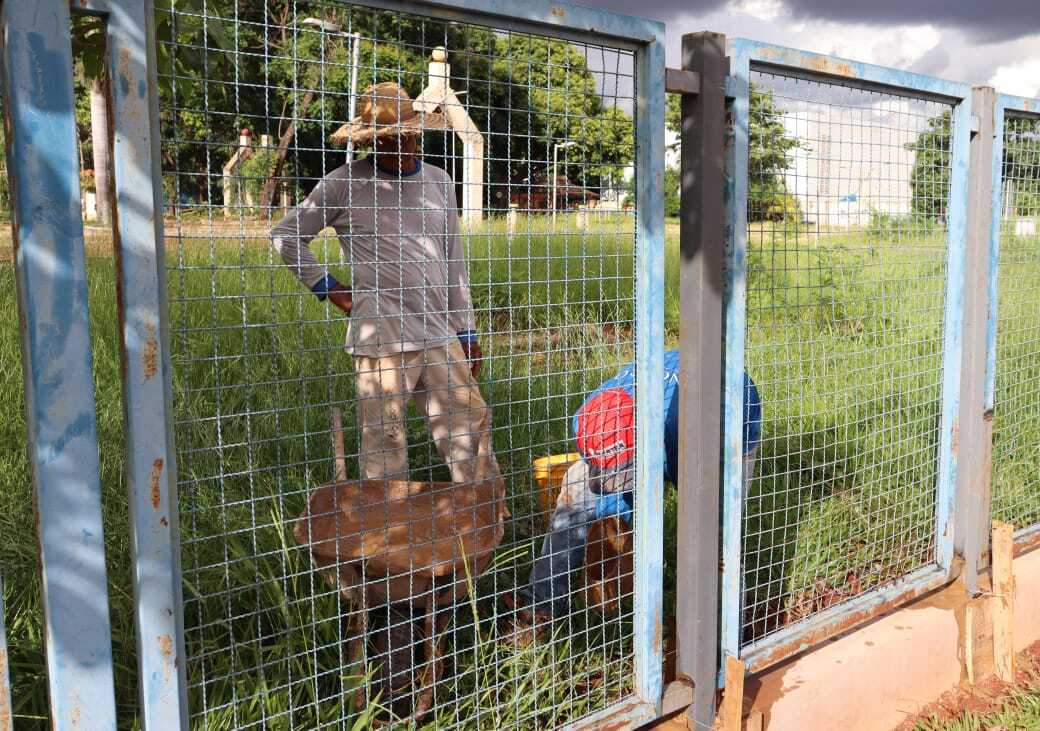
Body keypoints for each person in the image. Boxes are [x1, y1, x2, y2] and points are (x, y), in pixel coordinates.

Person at [271, 82, 501, 488]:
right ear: (369, 141)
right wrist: (330, 288)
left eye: (402, 137)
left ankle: (485, 511)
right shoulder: (343, 183)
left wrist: (466, 330)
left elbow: (454, 261)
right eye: (383, 140)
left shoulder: (438, 181)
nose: (395, 146)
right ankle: (388, 521)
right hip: (382, 337)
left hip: (438, 332)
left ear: (416, 133)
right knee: (384, 440)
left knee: (469, 424)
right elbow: (286, 236)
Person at [507, 349, 762, 621]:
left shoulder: (698, 431)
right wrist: (615, 540)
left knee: (713, 533)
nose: (614, 482)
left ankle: (723, 625)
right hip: (655, 426)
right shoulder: (585, 420)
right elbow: (607, 485)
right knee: (576, 490)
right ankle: (541, 601)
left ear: (647, 447)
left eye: (622, 472)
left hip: (719, 429)